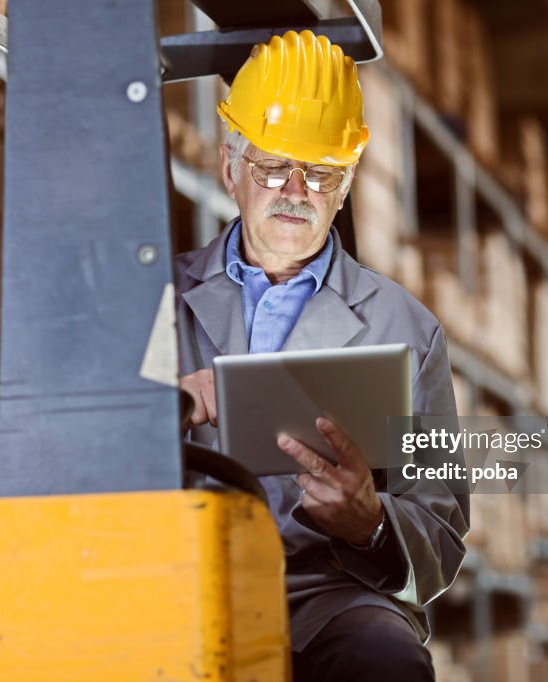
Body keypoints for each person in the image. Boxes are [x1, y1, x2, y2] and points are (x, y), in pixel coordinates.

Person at [175, 30, 469, 682]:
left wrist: (370, 524)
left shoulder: (408, 330)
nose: (297, 190)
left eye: (323, 174)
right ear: (231, 168)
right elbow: (86, 453)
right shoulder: (157, 302)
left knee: (386, 658)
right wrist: (166, 408)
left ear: (346, 186)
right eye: (274, 166)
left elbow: (442, 532)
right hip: (181, 567)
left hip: (328, 591)